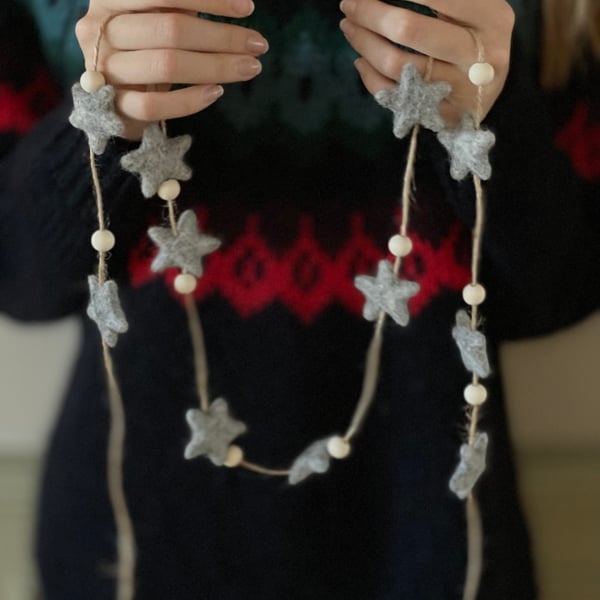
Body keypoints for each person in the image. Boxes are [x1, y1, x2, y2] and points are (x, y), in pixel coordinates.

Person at [0, 0, 598, 598]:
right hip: (135, 545)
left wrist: (491, 121)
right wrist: (104, 117)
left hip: (436, 539)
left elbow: (557, 294)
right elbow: (19, 277)